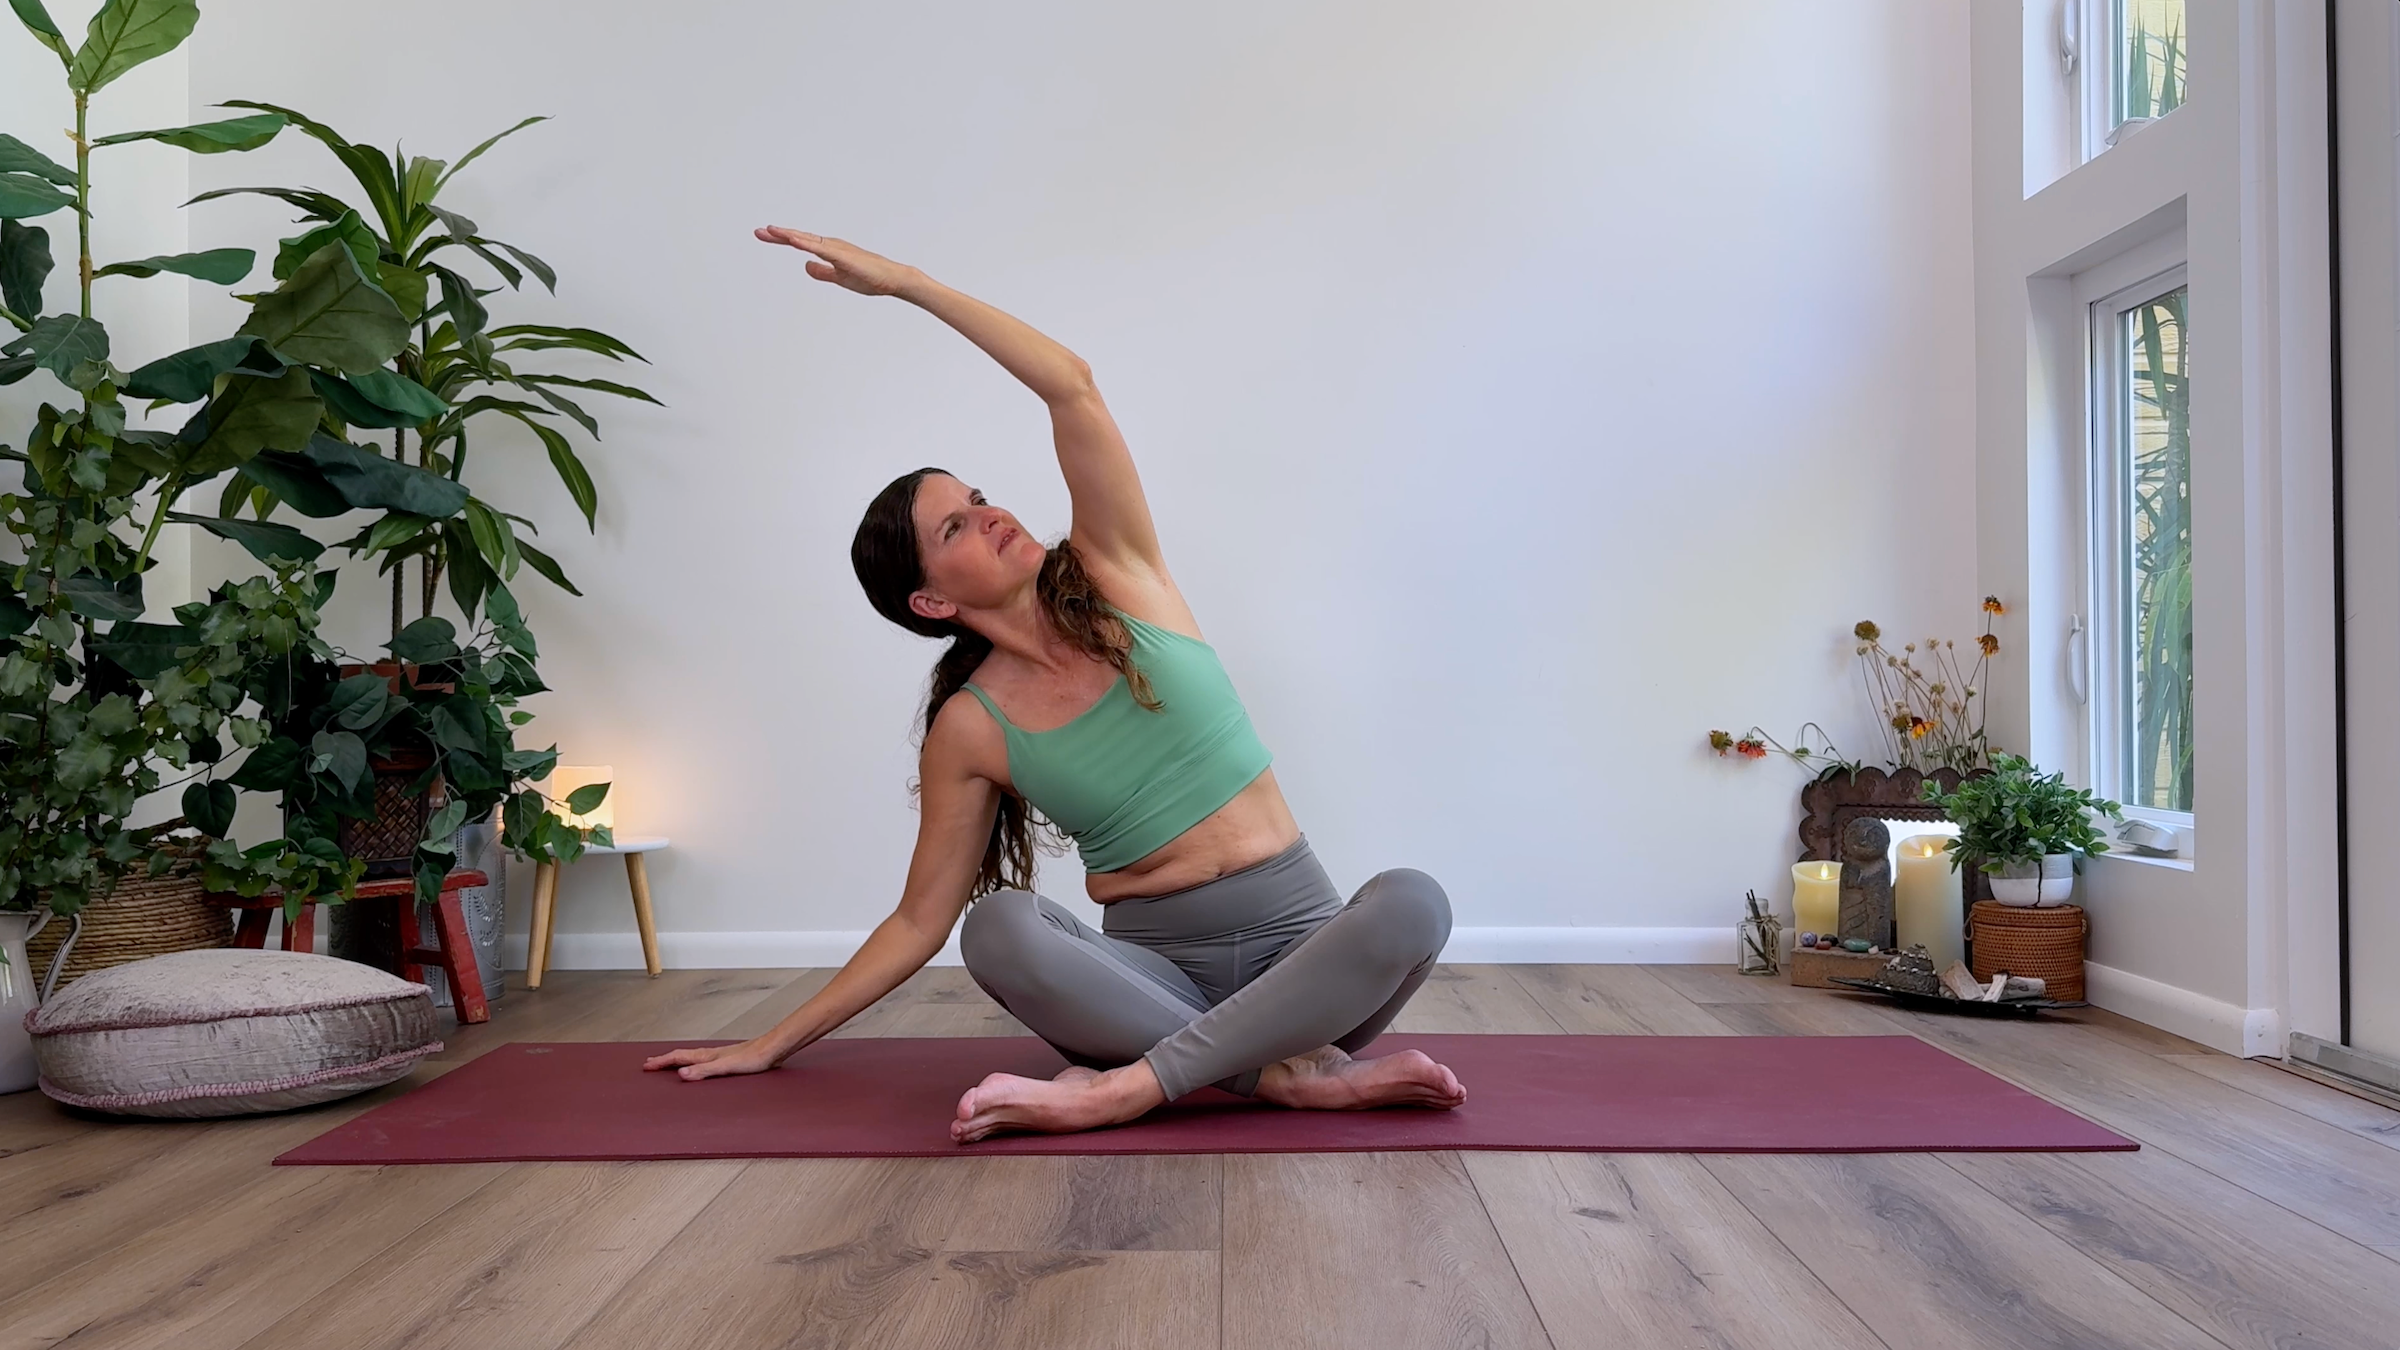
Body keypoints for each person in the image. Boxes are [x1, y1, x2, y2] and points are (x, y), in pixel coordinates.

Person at [642, 229, 1465, 1143]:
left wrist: (910, 285)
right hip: (1154, 987)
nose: (990, 516)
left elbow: (1069, 382)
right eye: (955, 527)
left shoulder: (1120, 573)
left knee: (1413, 901)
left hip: (1312, 964)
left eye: (979, 497)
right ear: (929, 598)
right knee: (996, 927)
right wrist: (771, 1041)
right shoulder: (972, 725)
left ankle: (1130, 1089)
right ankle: (1281, 1078)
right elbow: (921, 920)